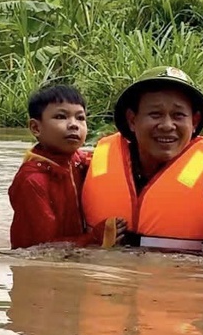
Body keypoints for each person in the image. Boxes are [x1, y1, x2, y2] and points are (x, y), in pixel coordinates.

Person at [81, 66, 203, 256]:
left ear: (194, 122)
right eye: (155, 114)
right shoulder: (91, 163)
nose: (167, 125)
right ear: (132, 120)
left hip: (183, 285)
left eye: (178, 115)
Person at [8, 85, 126, 249]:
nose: (73, 125)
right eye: (61, 117)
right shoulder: (32, 181)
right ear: (36, 128)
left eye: (80, 118)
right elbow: (40, 249)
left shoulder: (81, 162)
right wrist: (95, 237)